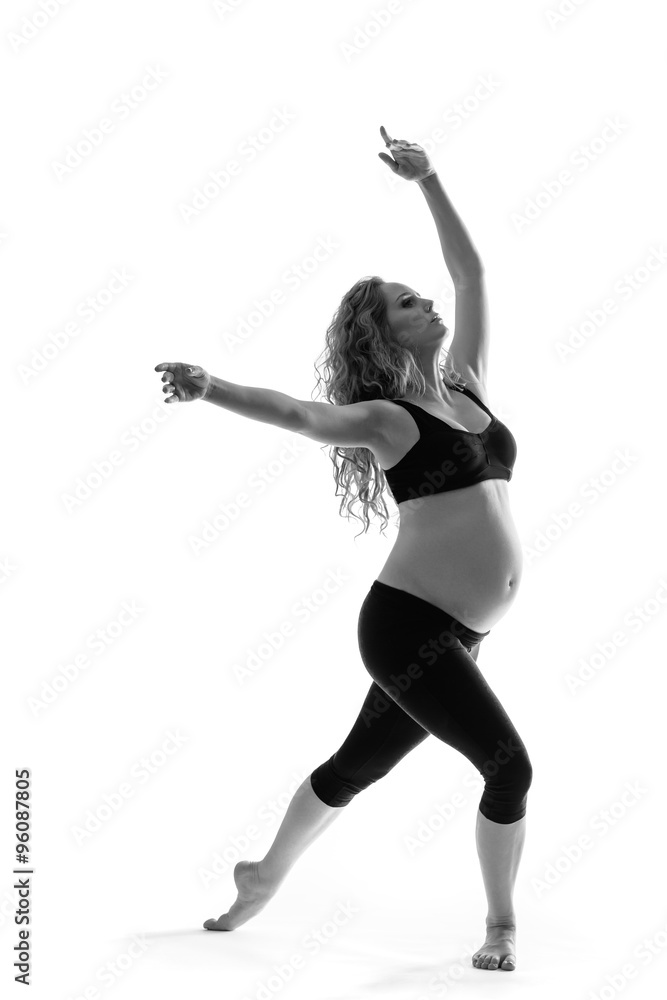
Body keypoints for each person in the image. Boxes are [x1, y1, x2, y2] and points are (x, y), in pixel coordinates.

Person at [154, 125, 532, 972]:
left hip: (461, 632)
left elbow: (471, 274)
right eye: (406, 304)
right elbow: (300, 414)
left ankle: (261, 877)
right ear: (379, 336)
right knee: (509, 768)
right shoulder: (386, 419)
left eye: (420, 297)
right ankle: (500, 927)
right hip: (406, 626)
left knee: (355, 766)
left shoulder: (467, 384)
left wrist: (428, 180)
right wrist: (212, 387)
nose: (426, 304)